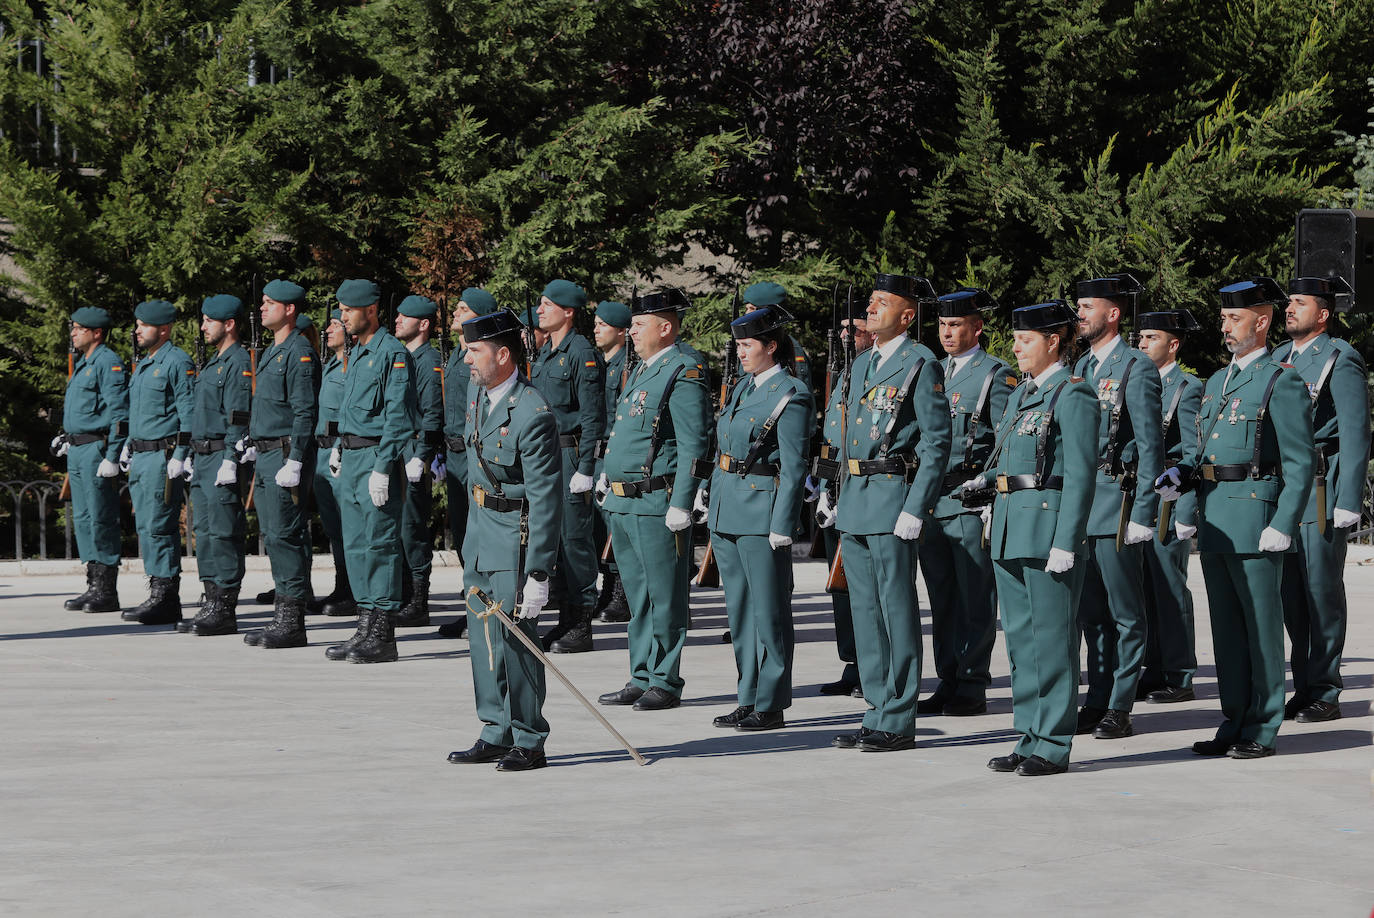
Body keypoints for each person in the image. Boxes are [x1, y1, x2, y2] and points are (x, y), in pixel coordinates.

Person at [1156, 276, 1314, 759]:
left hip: (1256, 518)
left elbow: (1300, 461)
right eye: (1223, 318)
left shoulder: (1280, 378)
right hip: (1217, 517)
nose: (1225, 326)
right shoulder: (1218, 380)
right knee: (1226, 630)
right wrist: (1181, 473)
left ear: (1261, 322)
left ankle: (1262, 726)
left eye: (1234, 318)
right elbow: (1202, 449)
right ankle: (1235, 719)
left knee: (1262, 627)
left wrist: (1283, 523)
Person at [816, 274, 952, 752]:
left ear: (907, 316)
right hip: (855, 496)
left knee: (895, 611)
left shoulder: (921, 364)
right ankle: (876, 707)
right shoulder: (863, 363)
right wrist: (831, 490)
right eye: (871, 302)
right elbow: (843, 430)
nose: (871, 309)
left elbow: (936, 443)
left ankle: (898, 716)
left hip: (893, 497)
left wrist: (917, 505)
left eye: (882, 303)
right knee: (865, 612)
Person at [977, 301, 1097, 776]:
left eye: (1025, 339)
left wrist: (1068, 541)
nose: (1016, 347)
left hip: (1048, 532)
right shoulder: (1022, 395)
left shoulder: (1073, 395)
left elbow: (1082, 476)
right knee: (1021, 644)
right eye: (1015, 338)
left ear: (1052, 342)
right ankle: (1027, 734)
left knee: (1052, 641)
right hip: (1010, 528)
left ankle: (1053, 742)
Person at [447, 309, 562, 772]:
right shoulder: (479, 393)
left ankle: (530, 739)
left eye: (474, 351)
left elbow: (545, 499)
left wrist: (537, 571)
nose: (466, 358)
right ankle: (495, 730)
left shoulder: (533, 413)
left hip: (515, 538)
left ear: (503, 354)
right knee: (483, 637)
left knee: (517, 641)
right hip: (480, 530)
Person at [596, 289, 711, 711]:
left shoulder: (683, 369)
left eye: (639, 324)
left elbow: (693, 441)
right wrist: (607, 475)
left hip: (656, 500)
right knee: (638, 595)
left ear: (665, 328)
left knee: (665, 595)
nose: (631, 331)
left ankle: (665, 678)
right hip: (625, 503)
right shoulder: (644, 369)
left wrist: (683, 500)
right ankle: (641, 673)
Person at [700, 305, 812, 731]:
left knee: (770, 612)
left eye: (747, 345)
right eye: (738, 344)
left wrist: (783, 522)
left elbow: (794, 464)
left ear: (771, 346)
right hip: (728, 510)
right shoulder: (745, 388)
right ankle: (747, 695)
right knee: (740, 612)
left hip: (762, 512)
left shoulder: (790, 393)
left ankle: (771, 701)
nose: (740, 352)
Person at [1071, 274, 1165, 740]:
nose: (1079, 314)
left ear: (1113, 314)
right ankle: (1097, 698)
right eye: (1078, 306)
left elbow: (1151, 448)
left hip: (1118, 504)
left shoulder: (1136, 367)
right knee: (1091, 614)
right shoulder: (1081, 366)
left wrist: (1145, 513)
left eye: (1087, 306)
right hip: (1082, 507)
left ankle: (1121, 706)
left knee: (1126, 613)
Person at [1273, 276, 1369, 723]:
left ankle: (1326, 687)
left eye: (1299, 303)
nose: (1289, 309)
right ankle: (1304, 683)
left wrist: (1348, 497)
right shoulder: (1276, 359)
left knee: (1320, 590)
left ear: (1323, 314)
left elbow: (1355, 432)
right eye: (1289, 302)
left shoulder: (1339, 358)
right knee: (1290, 592)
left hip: (1318, 487)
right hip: (1282, 489)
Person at [917, 287, 1015, 716]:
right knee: (941, 598)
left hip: (968, 498)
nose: (948, 332)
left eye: (956, 325)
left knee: (975, 597)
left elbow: (1006, 438)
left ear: (977, 327)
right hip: (930, 499)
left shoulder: (995, 374)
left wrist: (989, 485)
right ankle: (948, 677)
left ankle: (973, 683)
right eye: (942, 325)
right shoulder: (930, 370)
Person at [324, 279, 420, 664]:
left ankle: (382, 633)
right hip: (352, 456)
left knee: (379, 544)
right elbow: (351, 412)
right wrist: (338, 447)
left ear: (371, 310)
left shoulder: (391, 353)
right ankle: (364, 625)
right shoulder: (358, 352)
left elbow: (399, 415)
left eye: (348, 310)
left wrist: (383, 467)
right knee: (356, 545)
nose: (343, 316)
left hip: (376, 459)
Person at [240, 279, 320, 649]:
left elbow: (305, 412)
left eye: (270, 303)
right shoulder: (275, 350)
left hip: (286, 454)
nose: (262, 308)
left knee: (285, 535)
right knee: (274, 534)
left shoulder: (298, 351)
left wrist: (296, 459)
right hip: (268, 452)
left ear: (290, 310)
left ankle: (292, 619)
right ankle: (283, 614)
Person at [528, 279, 606, 654]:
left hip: (570, 455)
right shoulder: (545, 353)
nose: (540, 310)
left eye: (547, 305)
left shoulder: (580, 352)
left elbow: (593, 416)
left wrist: (586, 466)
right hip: (545, 456)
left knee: (575, 541)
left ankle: (581, 622)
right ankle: (563, 619)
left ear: (568, 311)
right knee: (552, 539)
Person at [1135, 309, 1204, 703]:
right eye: (1140, 338)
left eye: (1151, 338)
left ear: (1173, 344)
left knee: (1168, 586)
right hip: (1138, 494)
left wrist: (1185, 510)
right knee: (1144, 588)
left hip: (1167, 494)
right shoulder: (1135, 382)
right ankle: (1155, 666)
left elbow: (1192, 454)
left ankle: (1179, 673)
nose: (1143, 345)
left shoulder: (1186, 387)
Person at [177, 295, 252, 635]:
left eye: (209, 320)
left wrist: (230, 459)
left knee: (223, 532)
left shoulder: (237, 361)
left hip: (222, 454)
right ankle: (210, 599)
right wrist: (191, 453)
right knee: (204, 531)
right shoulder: (212, 363)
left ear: (230, 324)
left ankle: (224, 606)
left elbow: (238, 414)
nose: (203, 326)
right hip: (203, 456)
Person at [120, 299, 194, 626]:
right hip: (141, 455)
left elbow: (188, 413)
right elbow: (138, 414)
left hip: (162, 457)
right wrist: (126, 445)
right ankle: (156, 591)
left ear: (163, 329)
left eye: (143, 325)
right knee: (145, 526)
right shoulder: (145, 364)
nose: (137, 330)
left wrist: (181, 454)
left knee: (160, 526)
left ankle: (166, 598)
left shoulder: (176, 361)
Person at [812, 295, 871, 697]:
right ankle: (852, 661)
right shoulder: (842, 376)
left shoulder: (872, 376)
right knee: (840, 587)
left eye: (857, 331)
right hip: (835, 490)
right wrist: (822, 488)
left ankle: (871, 666)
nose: (848, 337)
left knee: (864, 589)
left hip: (863, 491)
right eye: (844, 331)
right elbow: (830, 439)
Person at [436, 287, 500, 639]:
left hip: (476, 457)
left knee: (480, 538)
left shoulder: (484, 354)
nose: (455, 313)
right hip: (455, 456)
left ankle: (488, 609)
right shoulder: (456, 355)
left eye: (463, 308)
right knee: (463, 537)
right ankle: (472, 606)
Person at [57, 306, 128, 615]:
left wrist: (113, 454)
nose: (73, 333)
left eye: (79, 328)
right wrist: (65, 436)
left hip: (96, 450)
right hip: (78, 448)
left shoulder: (107, 362)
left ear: (97, 332)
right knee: (84, 519)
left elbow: (118, 413)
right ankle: (94, 584)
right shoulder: (84, 363)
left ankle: (107, 590)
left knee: (100, 517)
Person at [392, 295, 446, 629]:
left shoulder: (428, 360)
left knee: (412, 527)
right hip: (398, 448)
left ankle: (417, 600)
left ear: (423, 324)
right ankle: (401, 593)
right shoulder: (403, 357)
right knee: (397, 525)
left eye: (405, 316)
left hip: (413, 450)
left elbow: (432, 411)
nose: (397, 320)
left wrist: (423, 454)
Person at [313, 309, 357, 618]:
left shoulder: (354, 365)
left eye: (335, 324)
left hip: (342, 452)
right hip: (322, 452)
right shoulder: (330, 364)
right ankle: (343, 585)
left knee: (350, 526)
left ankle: (354, 590)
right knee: (333, 527)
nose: (327, 329)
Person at [592, 299, 633, 623]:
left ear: (622, 332)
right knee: (598, 528)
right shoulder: (603, 362)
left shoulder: (625, 366)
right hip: (598, 453)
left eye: (603, 325)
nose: (596, 328)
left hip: (613, 452)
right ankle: (607, 587)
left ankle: (621, 591)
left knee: (613, 527)